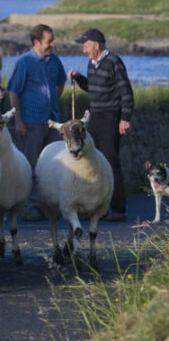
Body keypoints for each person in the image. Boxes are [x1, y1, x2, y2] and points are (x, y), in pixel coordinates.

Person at [68, 28, 134, 221]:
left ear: (96, 45)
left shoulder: (114, 62)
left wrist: (126, 118)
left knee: (110, 162)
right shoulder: (92, 63)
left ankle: (119, 209)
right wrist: (79, 78)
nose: (83, 50)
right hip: (95, 116)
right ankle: (98, 207)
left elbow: (126, 92)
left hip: (111, 117)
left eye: (86, 46)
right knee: (94, 162)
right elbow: (93, 88)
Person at [7, 24, 66, 220]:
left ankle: (51, 205)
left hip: (52, 121)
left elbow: (61, 82)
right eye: (49, 41)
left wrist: (52, 101)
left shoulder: (54, 60)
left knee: (54, 165)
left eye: (52, 40)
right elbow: (13, 91)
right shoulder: (24, 62)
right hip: (31, 121)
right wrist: (19, 121)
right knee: (31, 165)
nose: (53, 44)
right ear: (36, 42)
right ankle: (31, 207)